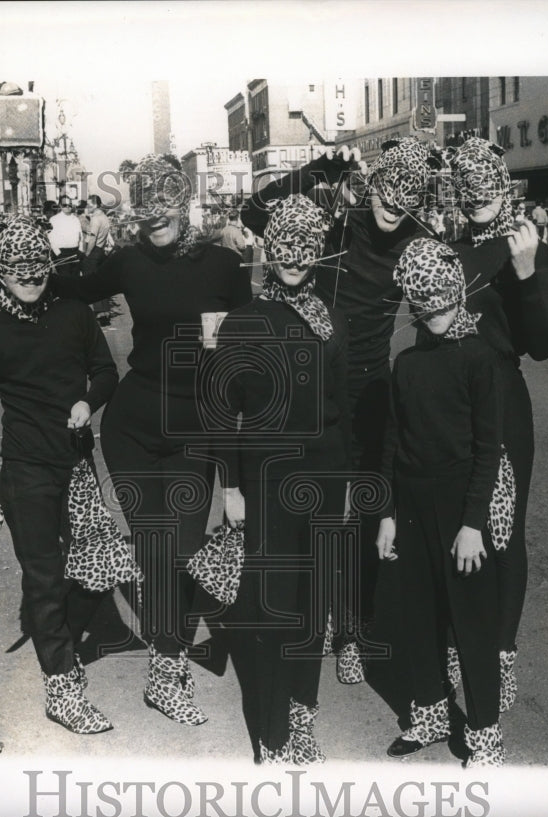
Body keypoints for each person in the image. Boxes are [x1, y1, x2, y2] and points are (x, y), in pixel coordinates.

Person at [53, 153, 252, 725]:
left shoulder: (224, 265)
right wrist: (15, 269)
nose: (156, 218)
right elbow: (73, 286)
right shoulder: (128, 261)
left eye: (165, 205)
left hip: (196, 426)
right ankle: (168, 673)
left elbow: (247, 351)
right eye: (145, 208)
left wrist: (235, 473)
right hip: (134, 426)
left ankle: (175, 647)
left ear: (183, 202)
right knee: (158, 549)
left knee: (186, 547)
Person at [241, 137, 440, 684]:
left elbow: (454, 293)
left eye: (408, 194)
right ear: (372, 181)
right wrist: (317, 169)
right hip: (314, 381)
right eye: (388, 187)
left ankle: (354, 625)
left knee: (367, 511)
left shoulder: (420, 242)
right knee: (313, 510)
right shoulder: (337, 222)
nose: (393, 202)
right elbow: (254, 213)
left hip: (371, 387)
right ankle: (314, 612)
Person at [0, 216, 120, 735]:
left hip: (77, 465)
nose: (31, 280)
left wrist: (87, 400)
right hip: (26, 471)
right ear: (1, 274)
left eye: (38, 269)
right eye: (19, 272)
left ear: (50, 267)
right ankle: (61, 681)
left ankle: (52, 630)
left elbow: (105, 372)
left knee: (98, 567)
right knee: (45, 575)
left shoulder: (75, 315)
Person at [213, 194, 350, 764]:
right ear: (270, 251)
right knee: (273, 607)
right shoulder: (243, 322)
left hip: (322, 480)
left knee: (312, 607)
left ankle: (302, 716)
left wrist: (344, 488)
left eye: (305, 248)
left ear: (317, 253)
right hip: (266, 485)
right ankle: (270, 730)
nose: (294, 259)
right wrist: (231, 488)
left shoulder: (331, 321)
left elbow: (340, 410)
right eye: (285, 247)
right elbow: (222, 411)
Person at [377, 238, 506, 767]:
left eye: (444, 300)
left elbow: (487, 448)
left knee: (472, 623)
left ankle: (485, 732)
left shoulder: (480, 360)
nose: (434, 310)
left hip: (459, 506)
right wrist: (386, 514)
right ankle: (429, 712)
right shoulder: (405, 364)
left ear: (458, 296)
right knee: (418, 617)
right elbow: (391, 440)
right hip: (410, 503)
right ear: (411, 300)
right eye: (423, 300)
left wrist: (473, 522)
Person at [445, 137, 548, 714]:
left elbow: (542, 345)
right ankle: (451, 644)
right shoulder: (449, 247)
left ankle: (503, 652)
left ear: (502, 183)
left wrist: (528, 271)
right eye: (467, 182)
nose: (478, 192)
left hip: (503, 402)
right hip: (450, 403)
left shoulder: (525, 243)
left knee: (504, 533)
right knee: (452, 521)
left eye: (487, 180)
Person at [82, 195, 114, 324]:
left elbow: (92, 239)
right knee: (100, 281)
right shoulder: (105, 217)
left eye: (90, 204)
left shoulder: (95, 219)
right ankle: (105, 311)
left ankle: (99, 313)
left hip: (94, 251)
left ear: (96, 205)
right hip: (101, 251)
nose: (87, 207)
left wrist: (87, 254)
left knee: (91, 282)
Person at [48, 199, 84, 278]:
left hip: (75, 252)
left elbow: (80, 236)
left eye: (70, 204)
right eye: (65, 205)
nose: (67, 207)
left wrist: (80, 251)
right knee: (64, 280)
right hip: (62, 253)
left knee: (75, 279)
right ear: (60, 206)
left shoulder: (76, 219)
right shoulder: (54, 219)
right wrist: (58, 253)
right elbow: (51, 238)